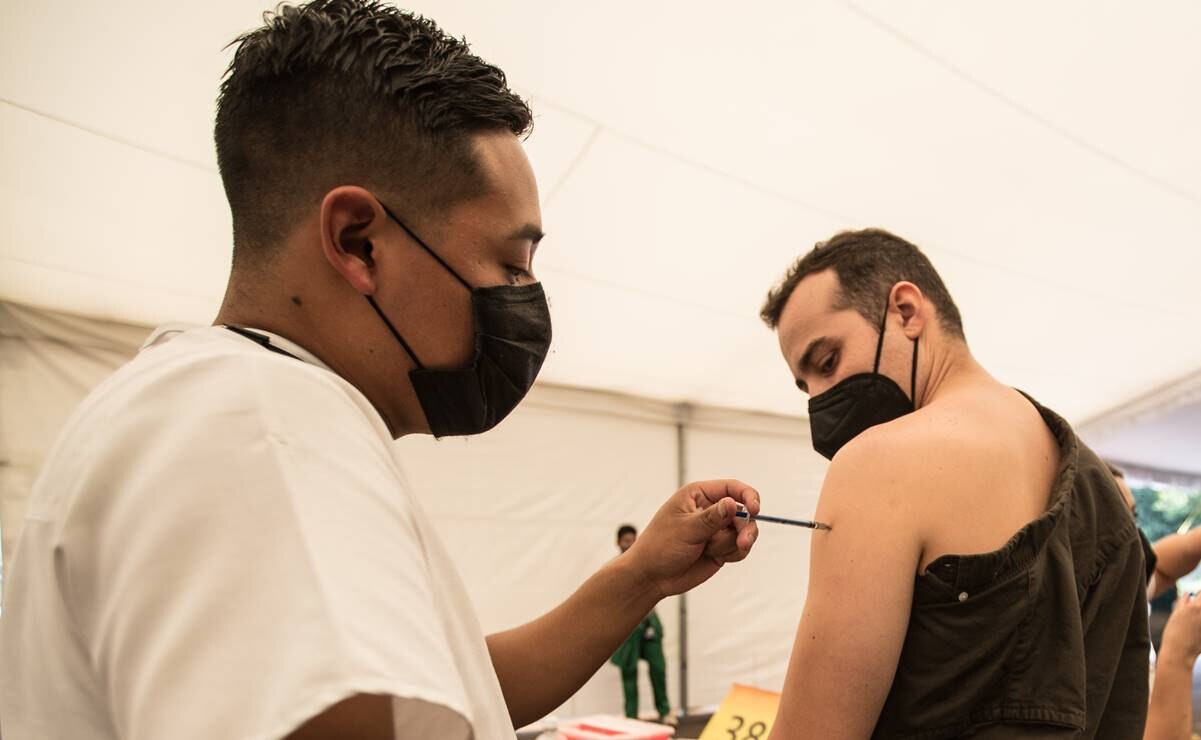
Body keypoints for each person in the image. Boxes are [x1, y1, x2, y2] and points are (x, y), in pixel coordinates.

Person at [0, 3, 761, 738]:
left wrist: (641, 577)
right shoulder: (264, 429)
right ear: (359, 242)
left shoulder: (228, 411)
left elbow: (457, 689)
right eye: (510, 263)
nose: (524, 301)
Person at [759, 229, 1149, 738]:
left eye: (828, 362)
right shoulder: (1107, 500)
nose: (820, 402)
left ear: (906, 310)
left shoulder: (877, 464)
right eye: (806, 387)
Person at [610, 525, 676, 726]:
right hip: (628, 627)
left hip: (649, 624)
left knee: (658, 668)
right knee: (629, 673)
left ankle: (664, 711)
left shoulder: (647, 562)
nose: (630, 544)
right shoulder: (613, 568)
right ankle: (631, 717)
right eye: (626, 541)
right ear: (619, 543)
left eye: (633, 540)